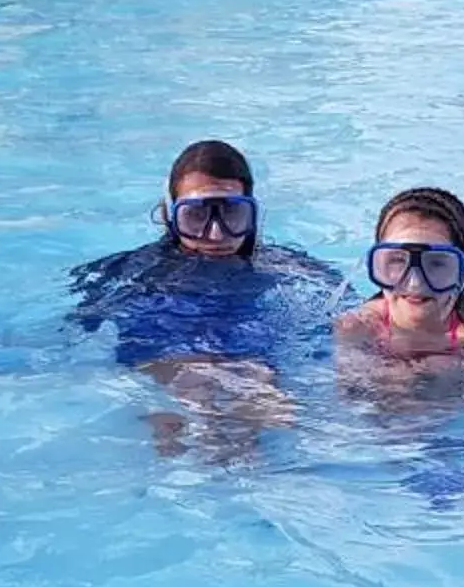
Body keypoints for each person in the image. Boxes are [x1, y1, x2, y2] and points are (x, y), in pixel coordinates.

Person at [68, 139, 345, 458]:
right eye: (196, 216)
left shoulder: (289, 268)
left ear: (253, 213)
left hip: (250, 361)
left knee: (266, 413)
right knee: (179, 419)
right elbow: (80, 335)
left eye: (232, 213)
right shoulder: (129, 274)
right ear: (169, 215)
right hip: (161, 358)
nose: (216, 234)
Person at [336, 186, 464, 373]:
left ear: (463, 273)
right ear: (378, 265)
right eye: (398, 260)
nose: (414, 283)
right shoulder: (356, 328)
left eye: (436, 263)